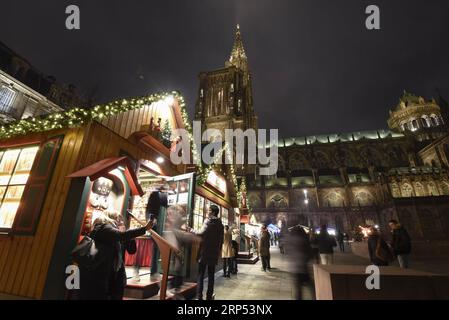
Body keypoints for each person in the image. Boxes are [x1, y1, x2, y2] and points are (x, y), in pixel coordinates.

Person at [78, 212, 152, 300]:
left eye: (121, 220)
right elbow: (120, 236)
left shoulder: (117, 234)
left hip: (115, 274)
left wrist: (129, 237)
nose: (120, 221)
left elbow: (132, 251)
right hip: (98, 272)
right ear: (110, 218)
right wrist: (144, 228)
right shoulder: (103, 227)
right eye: (118, 219)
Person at [194, 204, 224, 300]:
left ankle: (199, 296)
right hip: (213, 253)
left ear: (213, 212)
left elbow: (201, 233)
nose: (208, 211)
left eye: (209, 210)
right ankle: (209, 296)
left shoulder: (207, 221)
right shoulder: (221, 225)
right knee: (211, 276)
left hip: (204, 252)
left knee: (200, 275)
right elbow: (221, 240)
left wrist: (190, 229)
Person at [286, 226, 312, 300]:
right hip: (303, 267)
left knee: (298, 290)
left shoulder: (289, 239)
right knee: (312, 286)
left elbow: (287, 251)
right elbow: (309, 253)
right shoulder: (304, 239)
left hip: (293, 268)